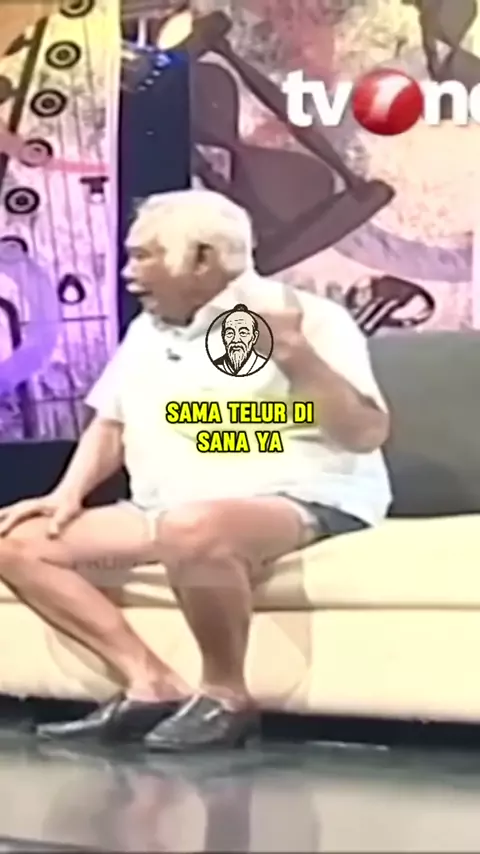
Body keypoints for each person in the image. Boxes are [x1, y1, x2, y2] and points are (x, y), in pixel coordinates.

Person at [0, 189, 391, 751]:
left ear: (203, 258)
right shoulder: (147, 330)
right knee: (18, 542)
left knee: (192, 526)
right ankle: (148, 683)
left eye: (144, 255)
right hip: (166, 504)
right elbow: (110, 422)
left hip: (301, 496)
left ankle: (226, 696)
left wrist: (296, 356)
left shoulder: (310, 317)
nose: (128, 272)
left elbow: (366, 433)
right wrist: (66, 495)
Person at [212, 303, 268, 376]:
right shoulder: (214, 366)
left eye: (243, 333)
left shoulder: (264, 366)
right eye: (230, 333)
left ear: (254, 337)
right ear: (223, 336)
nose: (236, 340)